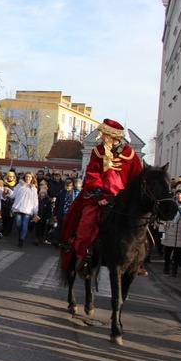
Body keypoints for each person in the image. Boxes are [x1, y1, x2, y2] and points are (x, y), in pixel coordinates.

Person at [59, 119, 143, 279]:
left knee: (141, 225)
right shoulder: (97, 152)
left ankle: (138, 260)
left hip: (122, 200)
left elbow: (136, 179)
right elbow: (92, 174)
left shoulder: (131, 156)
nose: (101, 136)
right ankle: (84, 256)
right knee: (86, 222)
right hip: (101, 197)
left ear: (113, 136)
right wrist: (99, 196)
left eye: (103, 134)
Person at [162, 186, 181, 277]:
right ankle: (166, 267)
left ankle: (175, 270)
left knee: (178, 253)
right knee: (168, 251)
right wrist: (163, 230)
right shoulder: (171, 203)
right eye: (178, 194)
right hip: (171, 229)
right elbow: (165, 216)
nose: (179, 196)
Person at [10, 172, 39, 247]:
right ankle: (21, 234)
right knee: (18, 224)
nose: (28, 178)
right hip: (18, 208)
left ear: (32, 178)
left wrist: (35, 211)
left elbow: (35, 201)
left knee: (24, 224)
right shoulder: (19, 185)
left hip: (28, 210)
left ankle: (21, 240)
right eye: (27, 177)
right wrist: (7, 191)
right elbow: (13, 195)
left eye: (29, 177)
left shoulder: (34, 188)